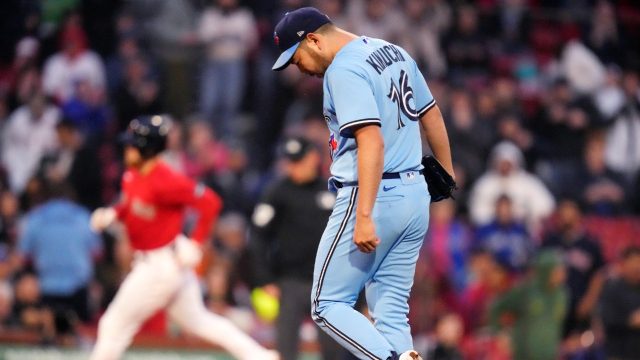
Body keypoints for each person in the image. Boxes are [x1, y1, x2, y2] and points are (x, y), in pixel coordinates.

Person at [271, 7, 454, 360]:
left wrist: (365, 214)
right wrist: (446, 172)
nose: (300, 68)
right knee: (391, 313)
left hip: (372, 195)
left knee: (326, 304)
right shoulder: (394, 51)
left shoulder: (343, 69)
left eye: (297, 59)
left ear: (313, 40)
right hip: (414, 196)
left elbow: (371, 139)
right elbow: (430, 112)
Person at [88, 115, 279, 360]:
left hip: (160, 265)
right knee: (200, 321)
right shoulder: (132, 174)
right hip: (157, 262)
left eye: (132, 145)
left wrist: (196, 242)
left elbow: (210, 202)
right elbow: (132, 205)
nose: (127, 149)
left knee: (112, 326)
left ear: (148, 148)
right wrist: (112, 214)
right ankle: (261, 357)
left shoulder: (167, 179)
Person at [249, 136, 346, 360]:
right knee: (286, 349)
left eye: (297, 161)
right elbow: (257, 236)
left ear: (313, 158)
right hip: (289, 282)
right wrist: (264, 278)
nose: (292, 167)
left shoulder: (332, 190)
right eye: (290, 162)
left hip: (327, 285)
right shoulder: (276, 192)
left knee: (334, 351)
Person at [489, 250, 568, 360]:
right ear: (545, 271)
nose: (562, 274)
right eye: (557, 271)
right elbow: (496, 307)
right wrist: (500, 334)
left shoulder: (562, 295)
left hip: (549, 354)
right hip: (524, 354)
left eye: (562, 270)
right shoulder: (526, 291)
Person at [599, 246, 640, 360]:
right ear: (624, 264)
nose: (637, 266)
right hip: (618, 352)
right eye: (633, 262)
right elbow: (607, 318)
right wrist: (630, 320)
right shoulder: (613, 288)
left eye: (639, 262)